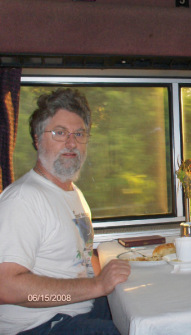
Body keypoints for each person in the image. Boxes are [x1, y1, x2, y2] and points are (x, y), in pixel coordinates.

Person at [0, 88, 131, 334]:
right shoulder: (23, 200)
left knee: (140, 309)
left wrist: (116, 275)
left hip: (77, 307)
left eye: (78, 133)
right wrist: (96, 287)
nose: (71, 142)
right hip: (39, 325)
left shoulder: (74, 194)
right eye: (60, 133)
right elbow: (5, 288)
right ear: (38, 139)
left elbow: (81, 258)